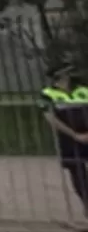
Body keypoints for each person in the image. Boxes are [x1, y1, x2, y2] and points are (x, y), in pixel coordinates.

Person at [41, 65, 88, 214]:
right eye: (66, 74)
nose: (69, 76)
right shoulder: (48, 94)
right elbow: (50, 118)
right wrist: (74, 135)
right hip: (69, 139)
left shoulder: (82, 90)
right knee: (78, 173)